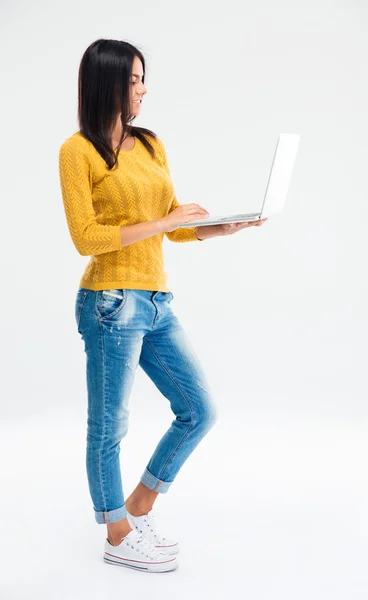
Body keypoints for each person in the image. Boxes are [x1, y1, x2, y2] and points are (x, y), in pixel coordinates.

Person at [58, 38, 268, 574]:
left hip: (154, 301)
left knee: (199, 410)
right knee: (109, 427)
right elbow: (87, 237)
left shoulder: (150, 144)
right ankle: (116, 532)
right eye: (133, 80)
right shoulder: (77, 151)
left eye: (143, 78)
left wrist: (224, 227)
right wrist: (165, 224)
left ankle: (139, 506)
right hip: (108, 302)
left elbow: (172, 225)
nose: (143, 89)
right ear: (106, 83)